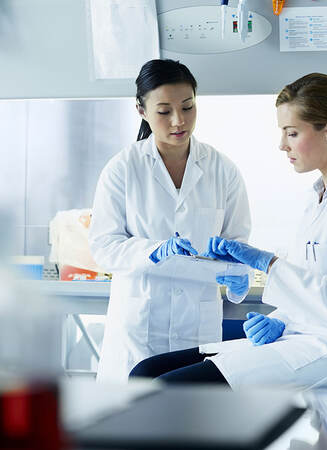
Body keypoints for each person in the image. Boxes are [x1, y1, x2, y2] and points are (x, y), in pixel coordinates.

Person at [130, 73, 327, 393]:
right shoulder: (319, 196)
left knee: (169, 389)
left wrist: (267, 263)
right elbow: (311, 286)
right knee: (145, 372)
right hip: (305, 336)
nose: (282, 144)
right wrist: (281, 320)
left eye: (292, 133)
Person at [89, 59, 252, 383]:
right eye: (164, 111)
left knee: (194, 426)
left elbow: (239, 245)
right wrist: (153, 251)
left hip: (197, 328)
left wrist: (238, 276)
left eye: (188, 107)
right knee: (133, 427)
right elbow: (103, 247)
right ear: (141, 110)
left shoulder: (223, 170)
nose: (179, 121)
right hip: (138, 330)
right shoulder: (123, 169)